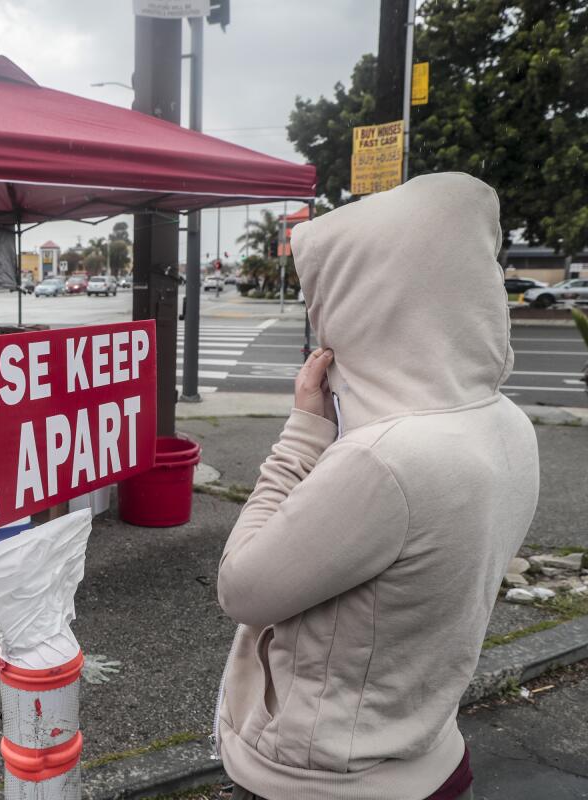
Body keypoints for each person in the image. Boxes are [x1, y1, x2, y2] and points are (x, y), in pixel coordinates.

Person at [214, 173, 539, 800]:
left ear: (361, 301)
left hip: (323, 780)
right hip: (435, 753)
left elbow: (241, 588)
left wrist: (304, 432)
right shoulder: (507, 424)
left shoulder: (384, 460)